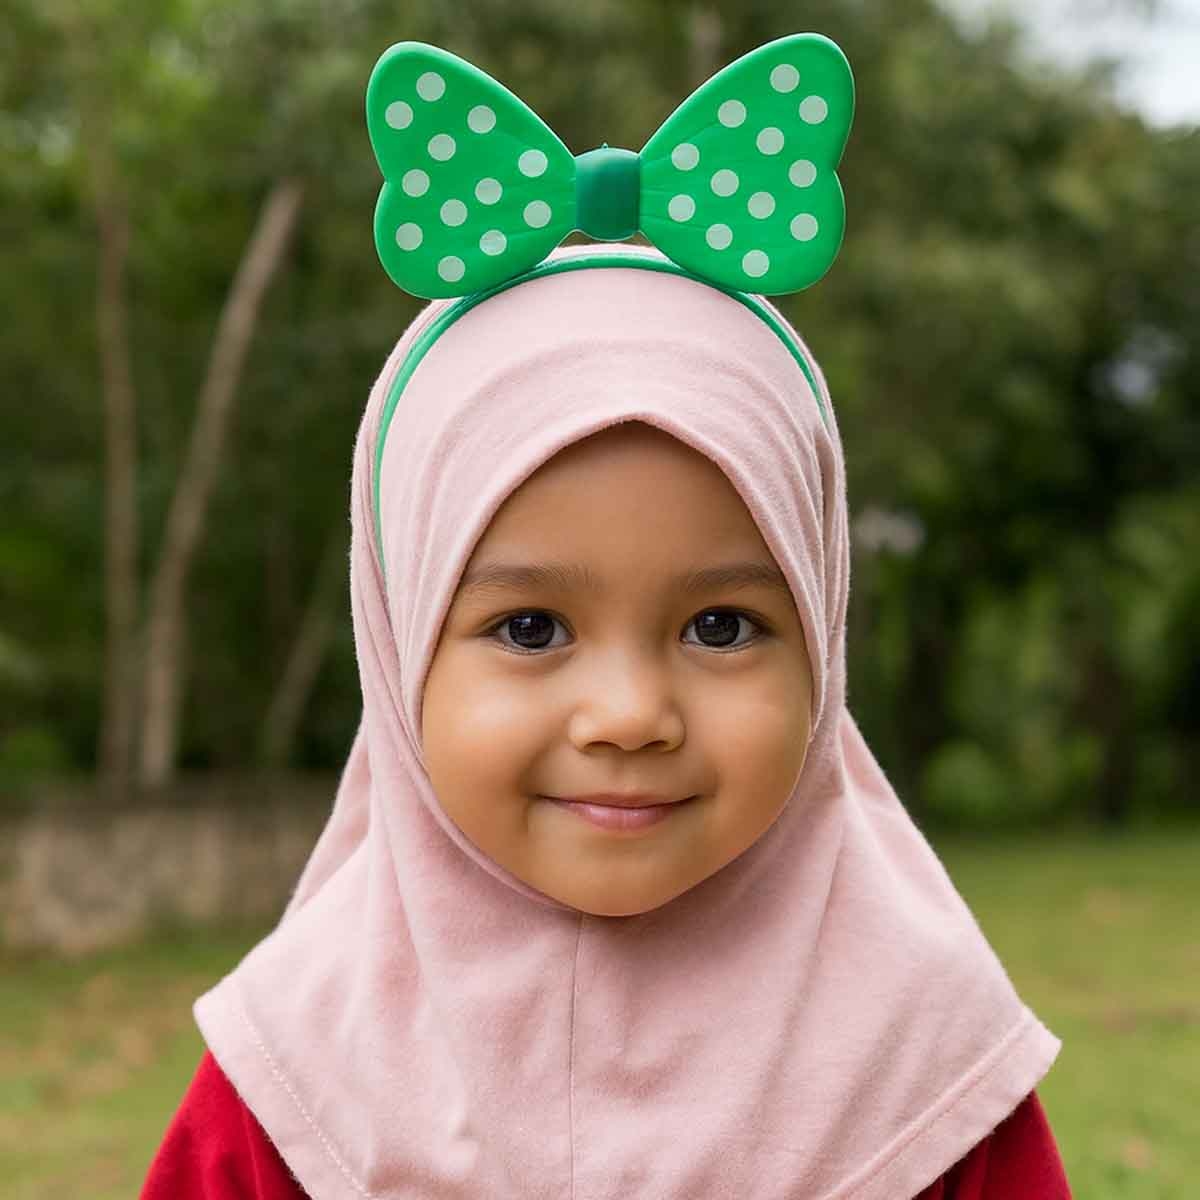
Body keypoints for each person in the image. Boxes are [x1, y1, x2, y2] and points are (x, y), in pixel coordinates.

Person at [142, 35, 1072, 1200]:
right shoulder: (289, 1086)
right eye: (530, 629)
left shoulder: (929, 1076)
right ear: (397, 644)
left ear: (826, 643)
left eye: (723, 626)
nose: (630, 715)